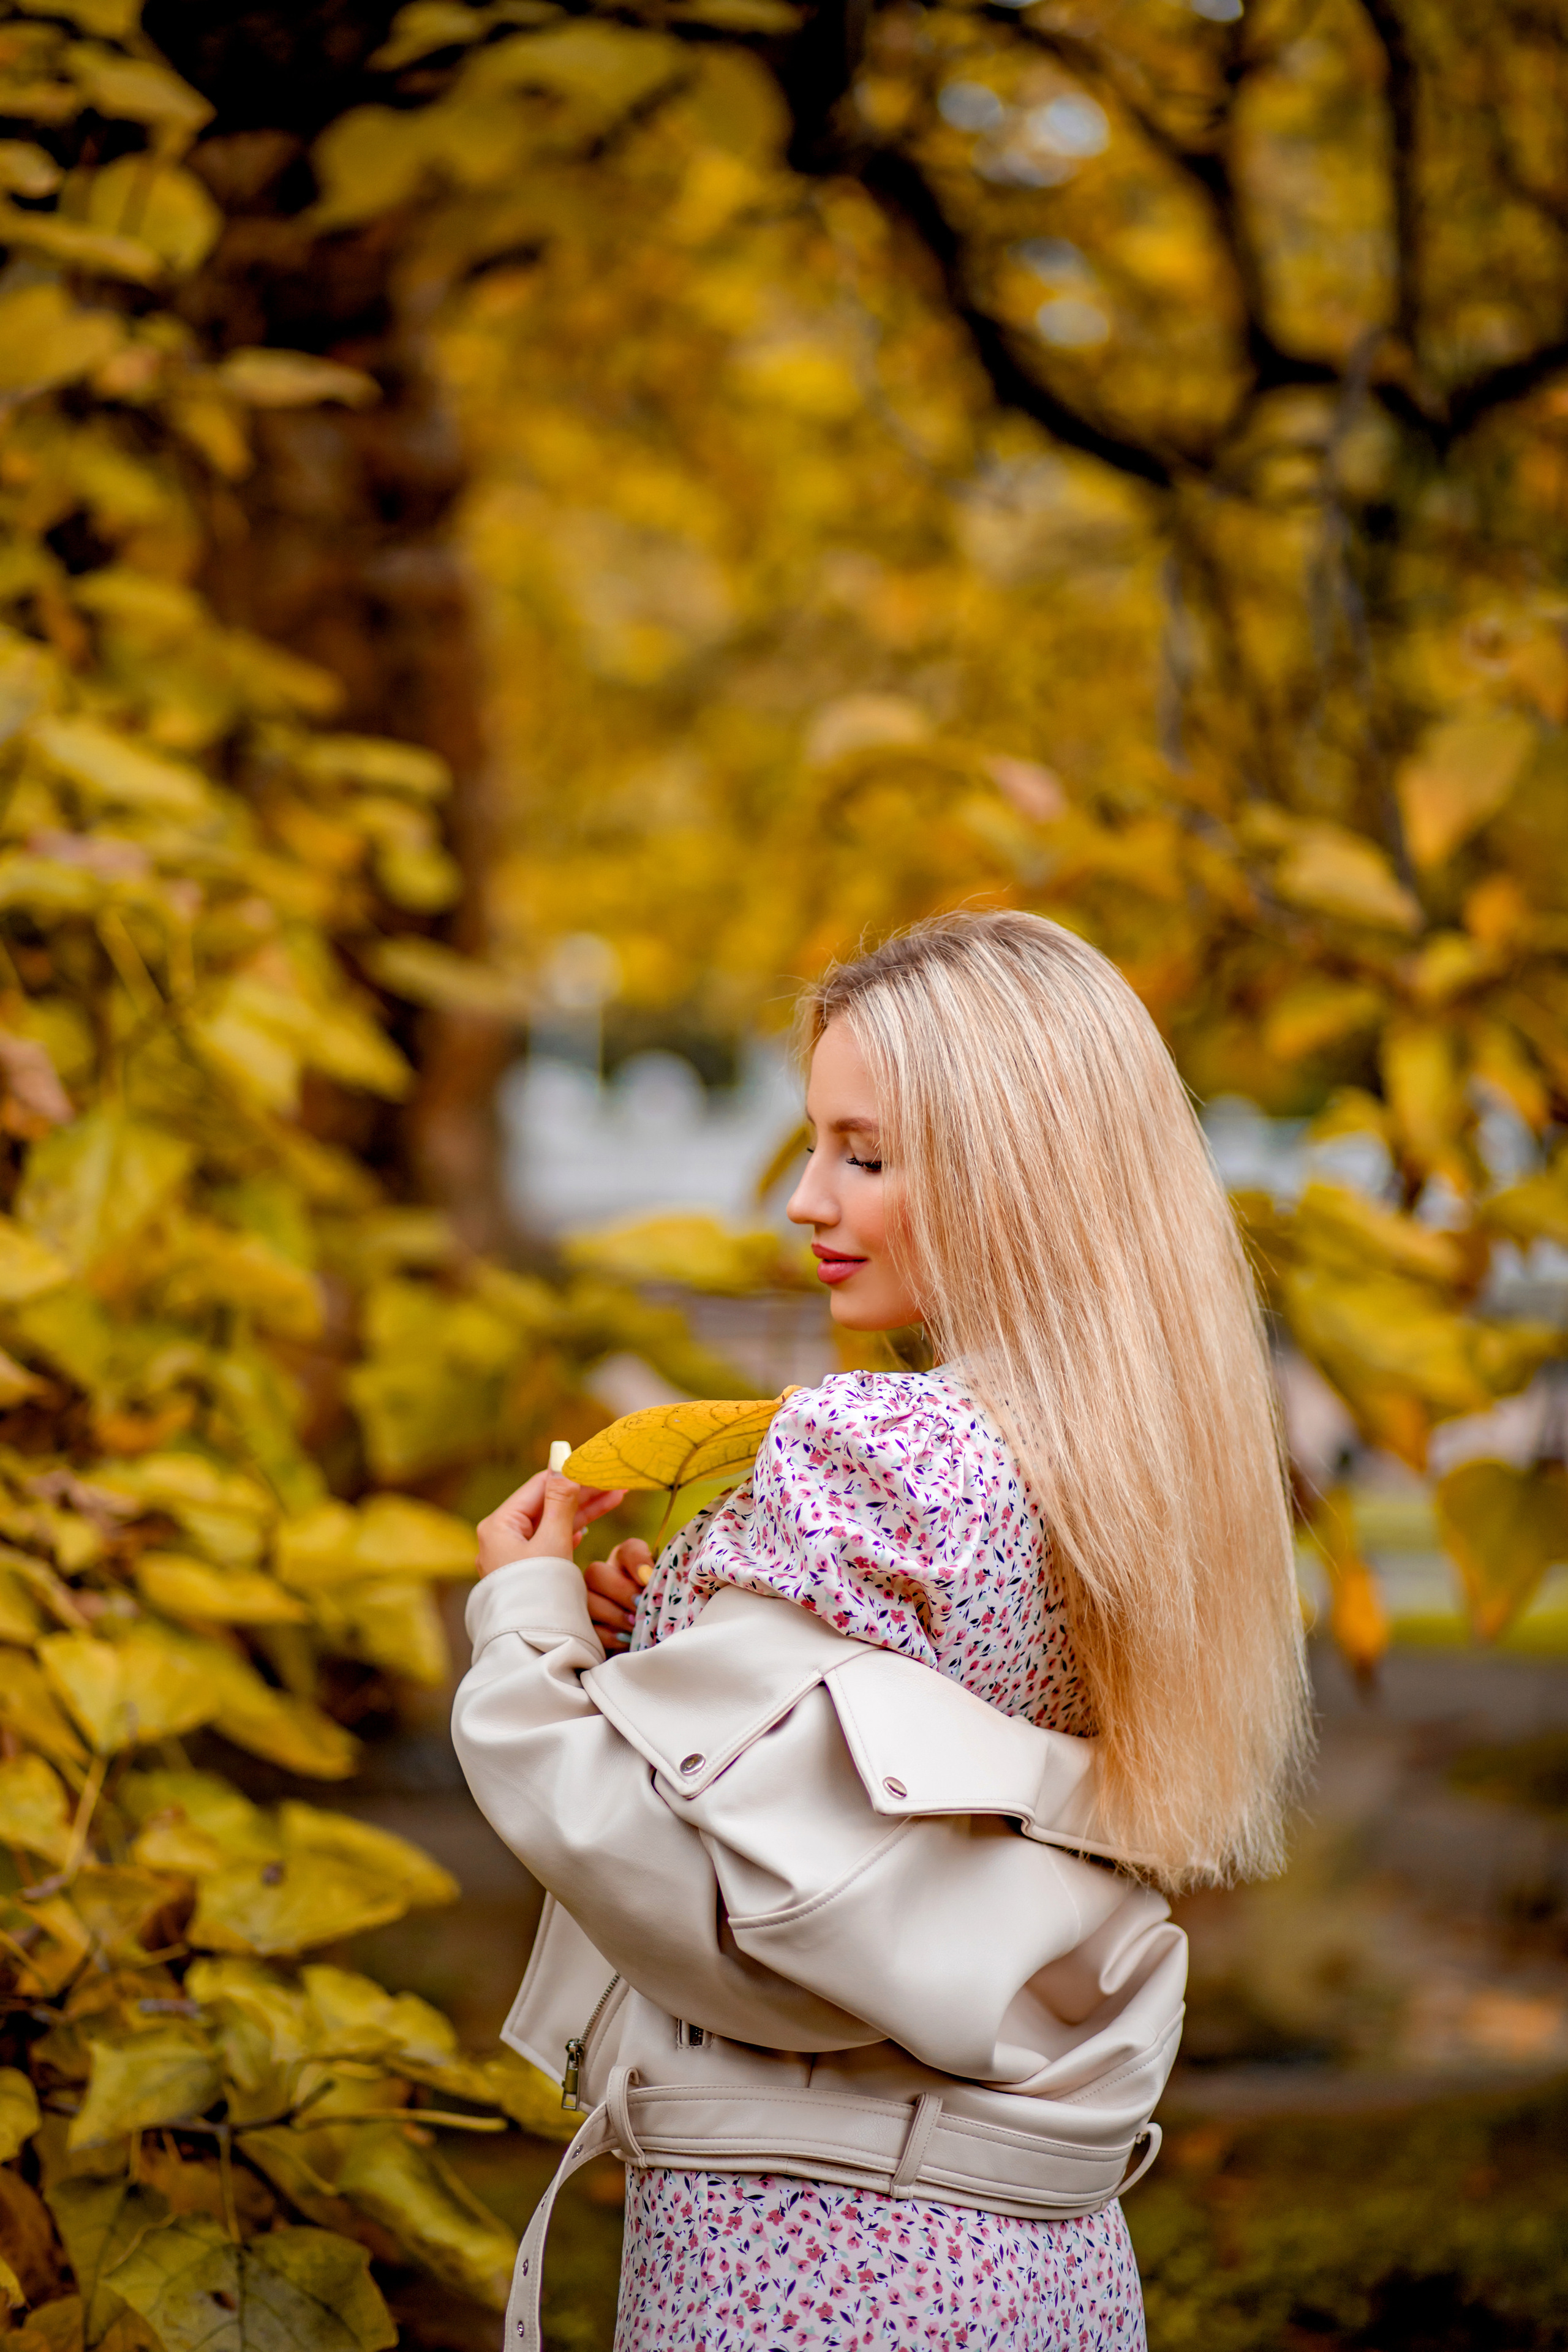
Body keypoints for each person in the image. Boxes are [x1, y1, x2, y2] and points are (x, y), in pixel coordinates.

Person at [454, 910, 1311, 2352]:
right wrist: (664, 1644)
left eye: (863, 1155)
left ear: (1010, 1179)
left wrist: (530, 1626)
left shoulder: (878, 1456)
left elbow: (693, 1890)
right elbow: (895, 1809)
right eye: (815, 1145)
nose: (805, 1198)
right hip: (1041, 2260)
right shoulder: (1150, 1466)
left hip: (816, 2254)